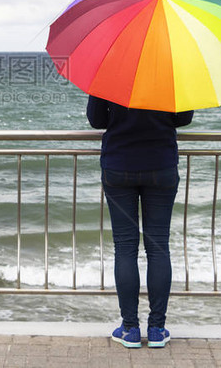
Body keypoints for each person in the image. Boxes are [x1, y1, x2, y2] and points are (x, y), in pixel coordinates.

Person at [86, 95, 193, 349]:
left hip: (119, 165)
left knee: (125, 247)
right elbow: (184, 118)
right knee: (158, 248)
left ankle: (130, 329)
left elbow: (96, 120)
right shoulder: (172, 67)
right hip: (161, 165)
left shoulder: (108, 70)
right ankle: (156, 329)